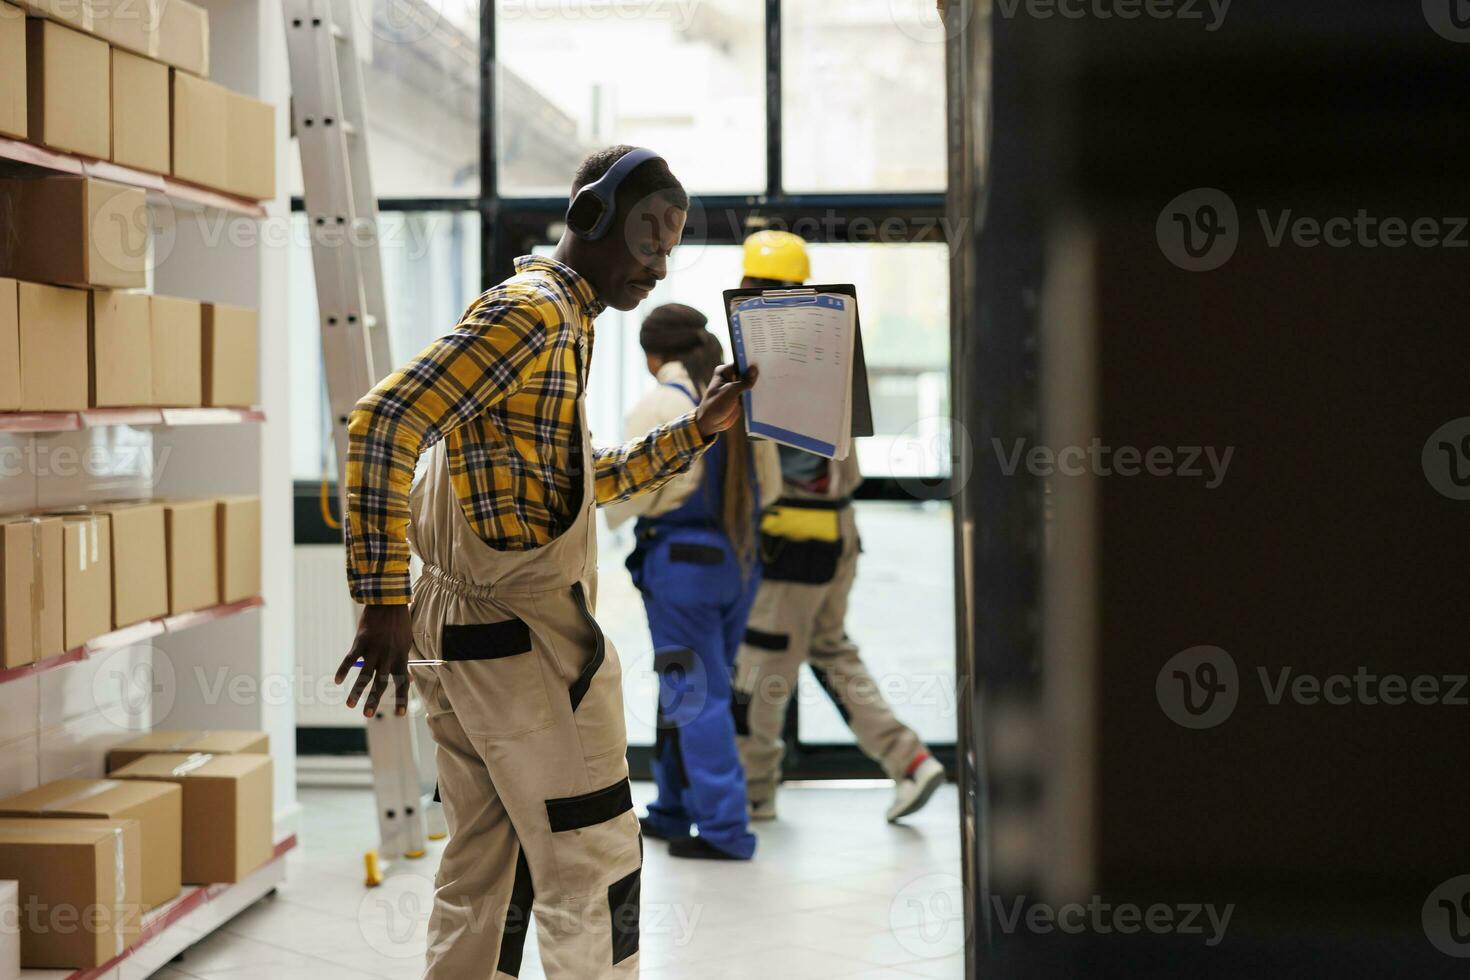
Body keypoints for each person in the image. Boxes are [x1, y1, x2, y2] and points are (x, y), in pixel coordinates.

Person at [336, 146, 757, 979]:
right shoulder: (534, 315)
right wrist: (380, 597)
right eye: (648, 237)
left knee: (488, 864)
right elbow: (383, 423)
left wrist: (694, 432)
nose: (658, 264)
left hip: (471, 636)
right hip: (517, 645)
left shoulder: (562, 323)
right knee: (594, 858)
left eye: (671, 245)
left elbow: (576, 480)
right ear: (592, 219)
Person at [731, 230, 946, 824]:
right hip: (839, 535)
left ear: (752, 288)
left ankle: (755, 796)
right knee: (831, 650)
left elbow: (793, 465)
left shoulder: (772, 363)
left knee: (762, 669)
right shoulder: (832, 349)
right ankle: (912, 762)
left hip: (795, 541)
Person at [604, 304, 782, 861]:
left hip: (681, 571)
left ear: (652, 354)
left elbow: (626, 495)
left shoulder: (661, 403)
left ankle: (727, 831)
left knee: (693, 695)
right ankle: (675, 809)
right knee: (696, 690)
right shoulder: (744, 400)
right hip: (739, 564)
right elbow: (770, 490)